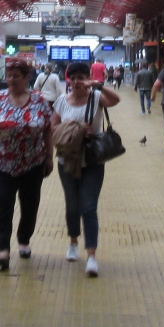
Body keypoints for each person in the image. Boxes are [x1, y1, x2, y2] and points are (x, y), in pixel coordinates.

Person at [0, 60, 54, 270]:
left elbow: (47, 129)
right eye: (9, 76)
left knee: (30, 206)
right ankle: (3, 248)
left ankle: (24, 239)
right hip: (2, 162)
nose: (11, 80)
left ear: (26, 78)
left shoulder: (39, 100)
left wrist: (49, 156)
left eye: (16, 76)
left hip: (33, 162)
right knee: (3, 205)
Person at [52, 59, 120, 277]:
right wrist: (77, 129)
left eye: (81, 78)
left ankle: (91, 256)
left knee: (88, 207)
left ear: (88, 78)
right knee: (72, 206)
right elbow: (53, 128)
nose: (76, 82)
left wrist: (97, 85)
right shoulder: (62, 101)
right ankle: (73, 242)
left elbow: (115, 100)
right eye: (72, 78)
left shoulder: (97, 98)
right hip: (67, 161)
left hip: (92, 162)